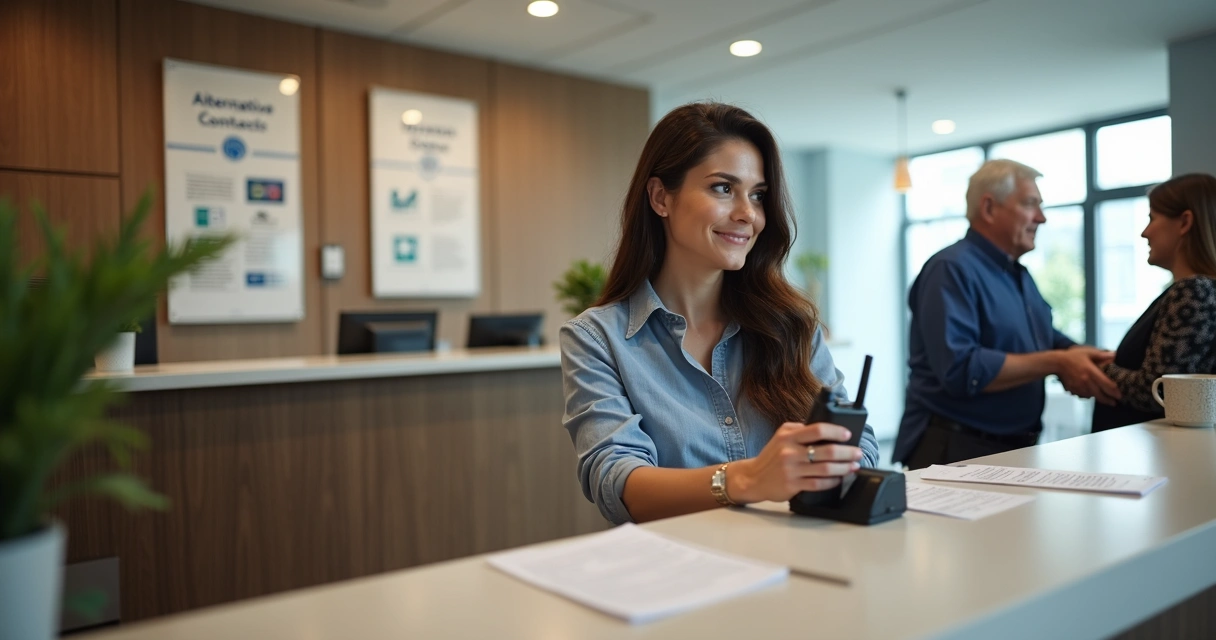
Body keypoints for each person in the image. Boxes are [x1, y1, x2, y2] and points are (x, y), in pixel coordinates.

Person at [559, 102, 880, 525]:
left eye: (758, 195)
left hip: (804, 558)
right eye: (723, 188)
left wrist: (838, 452)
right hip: (683, 572)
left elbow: (865, 449)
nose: (748, 214)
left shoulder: (792, 326)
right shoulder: (597, 339)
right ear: (660, 198)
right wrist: (746, 479)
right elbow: (618, 484)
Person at [895, 159, 1121, 470]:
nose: (1041, 218)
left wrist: (1087, 356)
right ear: (989, 208)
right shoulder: (951, 269)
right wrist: (1058, 362)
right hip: (956, 450)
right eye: (1030, 204)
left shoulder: (1018, 275)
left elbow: (1043, 339)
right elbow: (962, 369)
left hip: (1011, 447)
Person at [1093, 173, 1216, 431]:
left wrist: (1099, 368)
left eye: (1152, 218)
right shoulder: (1192, 291)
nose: (1144, 232)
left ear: (1184, 222)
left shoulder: (1193, 292)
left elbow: (1156, 390)